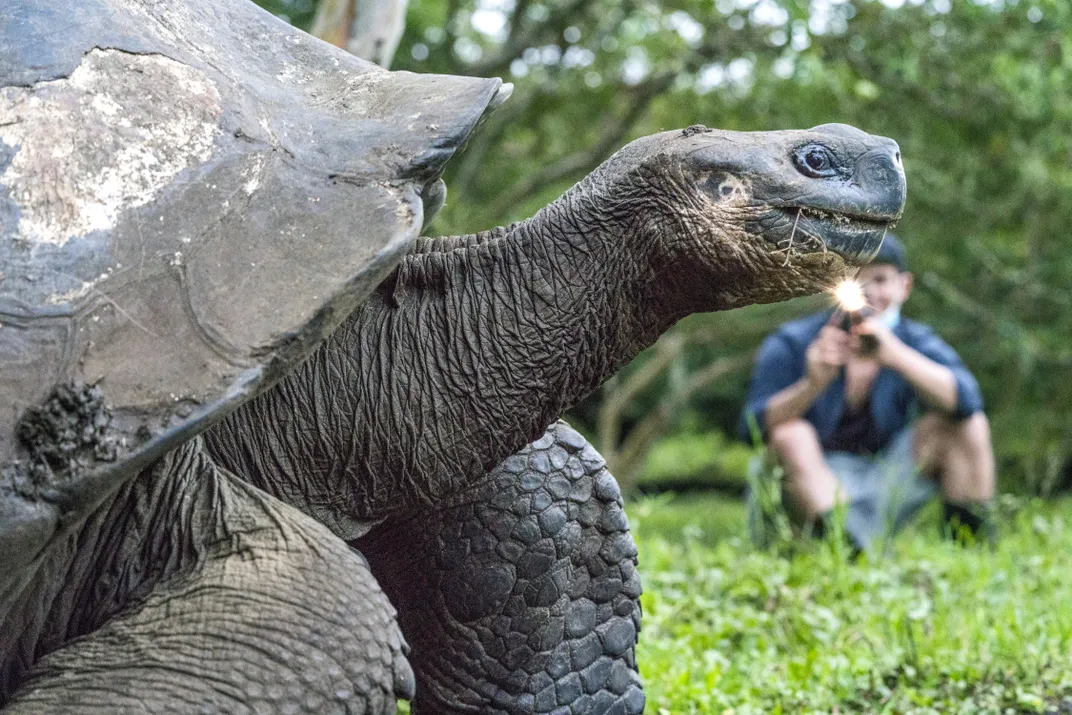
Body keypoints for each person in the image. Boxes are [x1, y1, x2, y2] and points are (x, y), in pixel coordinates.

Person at [741, 234, 995, 550]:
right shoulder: (794, 341)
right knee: (792, 435)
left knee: (966, 426)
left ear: (905, 286)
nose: (870, 293)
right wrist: (812, 384)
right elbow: (751, 428)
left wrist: (896, 356)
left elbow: (968, 401)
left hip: (882, 478)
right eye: (856, 280)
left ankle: (972, 549)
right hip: (806, 487)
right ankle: (845, 550)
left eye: (881, 279)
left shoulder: (913, 341)